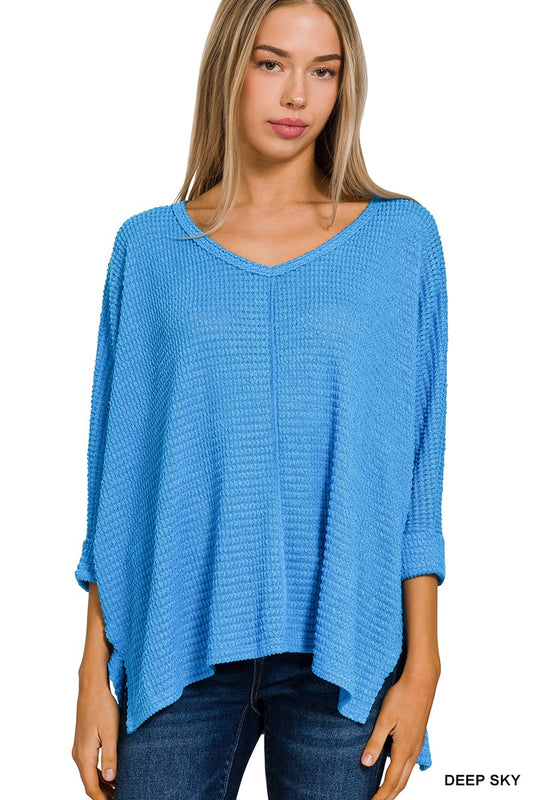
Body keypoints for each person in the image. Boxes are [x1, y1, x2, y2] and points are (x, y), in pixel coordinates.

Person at [71, 1, 449, 799]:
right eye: (271, 63)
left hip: (344, 650)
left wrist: (424, 666)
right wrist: (91, 674)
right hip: (177, 646)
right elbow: (120, 481)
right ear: (228, 68)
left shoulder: (400, 240)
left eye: (323, 71)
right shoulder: (149, 248)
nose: (297, 96)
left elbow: (416, 470)